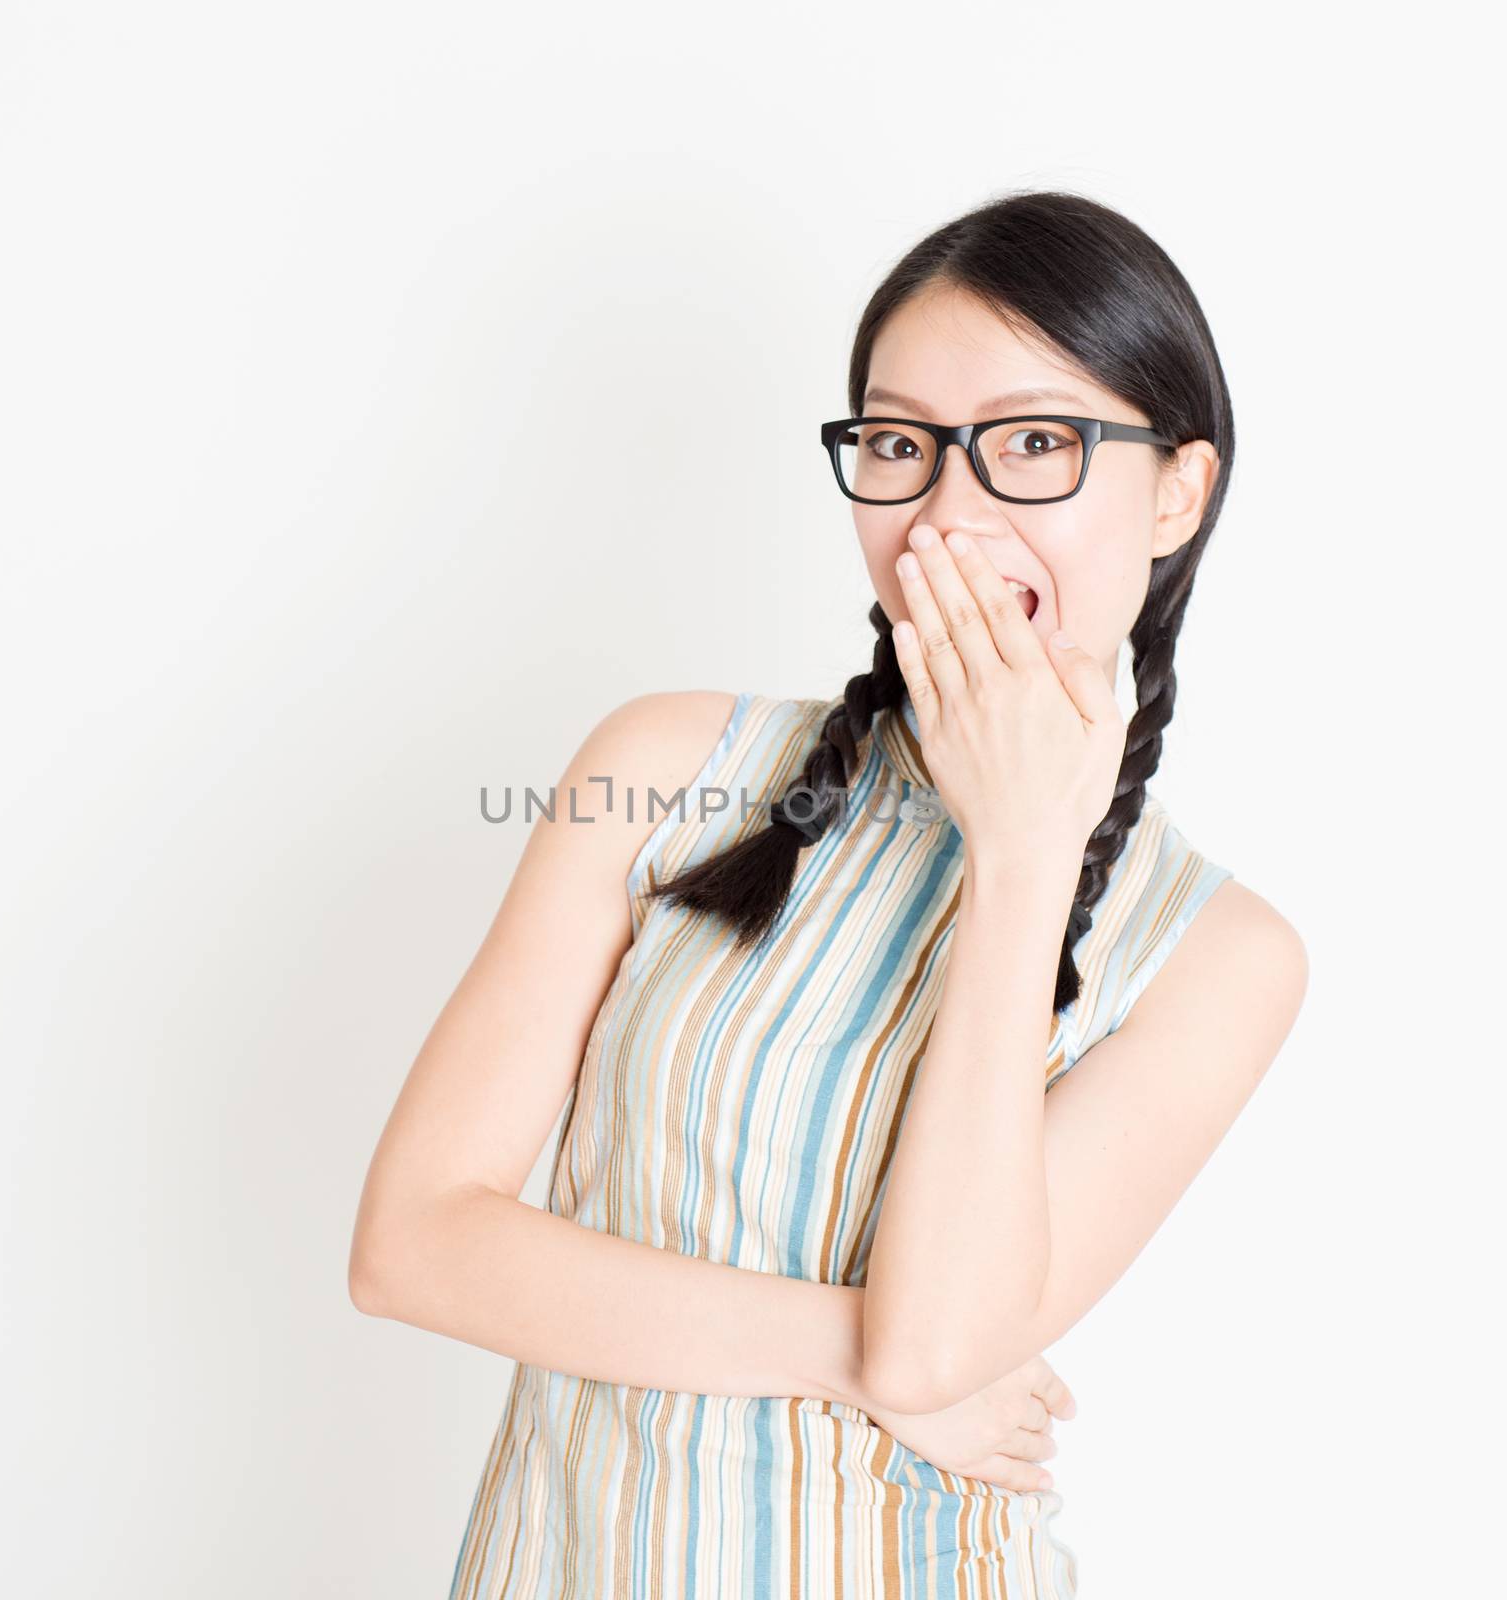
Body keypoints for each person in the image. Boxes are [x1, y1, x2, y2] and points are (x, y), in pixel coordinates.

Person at [349, 188, 1309, 1599]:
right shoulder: (672, 765)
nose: (948, 513)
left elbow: (940, 1345)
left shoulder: (1220, 955)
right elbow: (413, 1244)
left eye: (1036, 442)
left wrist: (1026, 854)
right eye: (902, 444)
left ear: (1179, 488)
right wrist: (842, 1350)